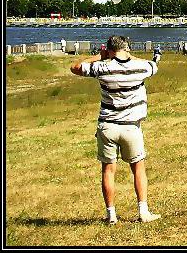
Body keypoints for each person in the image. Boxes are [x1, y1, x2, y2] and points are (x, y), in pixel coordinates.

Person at [69, 35, 161, 225]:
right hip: (131, 127)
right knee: (138, 169)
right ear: (126, 48)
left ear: (108, 51)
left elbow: (75, 67)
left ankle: (111, 215)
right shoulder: (140, 67)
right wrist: (129, 56)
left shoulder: (103, 68)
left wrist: (99, 57)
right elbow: (153, 66)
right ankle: (143, 211)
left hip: (107, 126)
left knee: (108, 171)